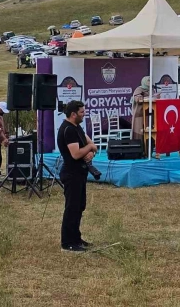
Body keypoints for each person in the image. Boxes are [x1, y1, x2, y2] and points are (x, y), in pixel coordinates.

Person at [57, 100, 98, 252]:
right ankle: (67, 242)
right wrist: (89, 148)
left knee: (80, 206)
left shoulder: (77, 127)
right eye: (82, 112)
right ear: (73, 114)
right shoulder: (68, 130)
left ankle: (76, 238)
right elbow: (75, 154)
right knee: (72, 208)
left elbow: (92, 145)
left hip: (80, 172)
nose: (84, 114)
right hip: (71, 173)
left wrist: (91, 152)